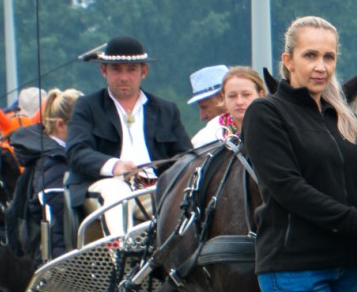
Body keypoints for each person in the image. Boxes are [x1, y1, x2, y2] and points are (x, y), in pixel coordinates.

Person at [240, 16, 357, 292]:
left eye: (329, 57)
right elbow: (288, 188)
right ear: (288, 60)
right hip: (296, 269)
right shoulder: (266, 113)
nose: (321, 66)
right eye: (310, 55)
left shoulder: (341, 116)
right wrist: (355, 219)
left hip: (349, 265)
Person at [63, 36, 189, 220]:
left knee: (182, 201)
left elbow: (185, 156)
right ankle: (121, 240)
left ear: (144, 71)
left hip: (154, 188)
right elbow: (76, 152)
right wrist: (114, 166)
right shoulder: (87, 106)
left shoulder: (166, 110)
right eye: (116, 69)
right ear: (104, 70)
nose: (124, 77)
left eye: (131, 70)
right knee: (118, 192)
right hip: (103, 185)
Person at [31, 89, 79, 257]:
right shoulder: (52, 161)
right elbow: (62, 209)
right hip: (62, 256)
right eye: (81, 124)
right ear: (60, 125)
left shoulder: (63, 155)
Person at [188, 64, 230, 146]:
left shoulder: (204, 140)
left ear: (221, 97)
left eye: (204, 107)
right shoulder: (204, 138)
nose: (202, 117)